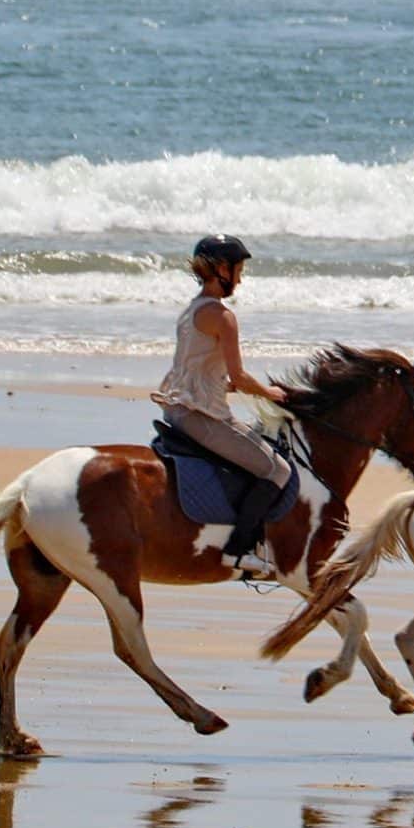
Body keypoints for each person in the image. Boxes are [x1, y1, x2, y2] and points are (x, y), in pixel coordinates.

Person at [152, 234, 295, 575]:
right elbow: (241, 376)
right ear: (221, 269)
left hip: (178, 407)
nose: (241, 278)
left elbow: (197, 368)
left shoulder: (191, 309)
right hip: (201, 417)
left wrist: (225, 386)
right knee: (278, 469)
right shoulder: (222, 316)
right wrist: (269, 393)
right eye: (239, 269)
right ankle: (238, 549)